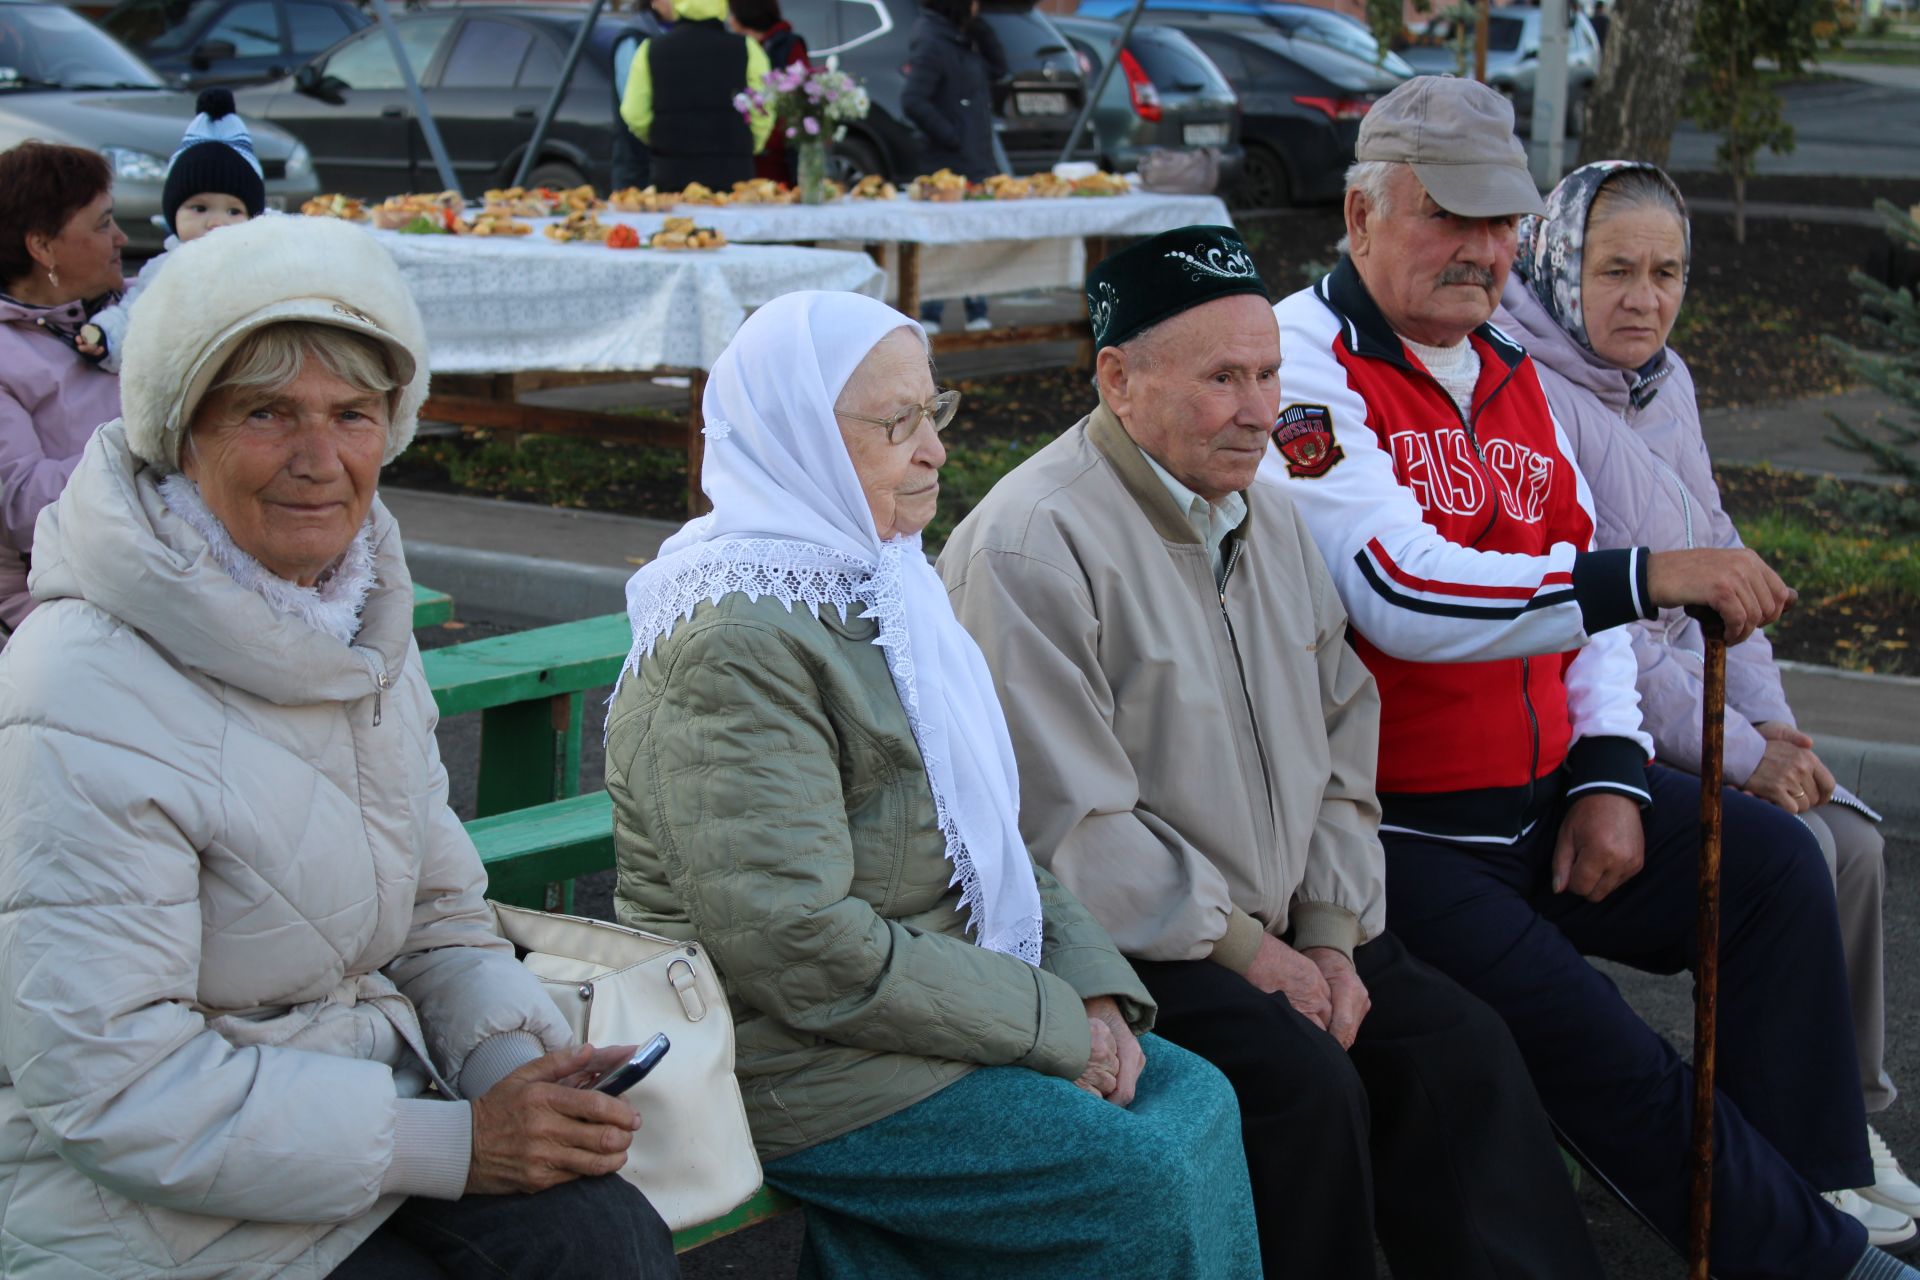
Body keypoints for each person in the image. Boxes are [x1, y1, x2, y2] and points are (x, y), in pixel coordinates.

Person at [1260, 74, 1914, 1280]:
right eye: (1444, 217)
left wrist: (1611, 766)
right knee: (1611, 1052)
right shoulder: (1301, 366)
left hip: (1549, 790)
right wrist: (1646, 575)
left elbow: (1578, 582)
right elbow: (1400, 594)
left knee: (1774, 870)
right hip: (1401, 833)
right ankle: (1815, 1259)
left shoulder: (1504, 357)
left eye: (1499, 221)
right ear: (1359, 217)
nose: (1481, 251)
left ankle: (1789, 1197)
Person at [0, 213, 679, 1280]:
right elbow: (110, 1088)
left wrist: (523, 1075)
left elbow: (438, 915)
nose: (320, 461)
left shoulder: (358, 626)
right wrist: (460, 1141)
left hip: (358, 1125)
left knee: (608, 1237)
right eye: (267, 413)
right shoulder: (79, 683)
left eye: (354, 414)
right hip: (149, 1209)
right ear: (182, 432)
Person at [939, 225, 1604, 1280]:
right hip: (1147, 947)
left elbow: (1348, 741)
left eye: (1268, 374)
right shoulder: (1033, 542)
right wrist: (1257, 951)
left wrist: (1335, 936)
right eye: (1222, 379)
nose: (1261, 410)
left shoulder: (1269, 514)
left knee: (1462, 1052)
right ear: (1119, 378)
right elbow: (1068, 830)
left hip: (1298, 921)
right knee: (1305, 1091)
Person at [605, 289, 1260, 1279]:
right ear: (796, 439)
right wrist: (1048, 1022)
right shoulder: (735, 638)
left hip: (925, 1012)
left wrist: (1091, 988)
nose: (936, 451)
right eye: (895, 423)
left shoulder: (879, 579)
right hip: (799, 1058)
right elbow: (796, 945)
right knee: (1131, 1175)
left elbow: (983, 834)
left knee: (1199, 1102)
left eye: (932, 411)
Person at [1498, 157, 1918, 1245]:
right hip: (1610, 724)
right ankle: (1784, 1147)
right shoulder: (1529, 394)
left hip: (1714, 704)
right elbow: (1614, 637)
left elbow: (1723, 555)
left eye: (1667, 272)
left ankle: (1838, 1115)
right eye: (1616, 270)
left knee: (1858, 846)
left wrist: (1774, 723)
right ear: (1556, 265)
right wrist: (1742, 753)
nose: (1645, 298)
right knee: (1799, 851)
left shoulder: (1661, 380)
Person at [0, 140, 125, 640]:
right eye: (102, 224)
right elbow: (25, 509)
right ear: (43, 247)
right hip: (56, 603)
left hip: (167, 565)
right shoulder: (7, 355)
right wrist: (146, 441)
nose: (120, 237)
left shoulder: (135, 306)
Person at [80, 87, 265, 372]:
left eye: (233, 211)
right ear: (172, 214)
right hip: (179, 384)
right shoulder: (162, 270)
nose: (216, 222)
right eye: (199, 208)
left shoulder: (265, 265)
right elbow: (133, 314)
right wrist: (106, 338)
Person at [901, 0, 1003, 333]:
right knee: (945, 240)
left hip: (976, 158)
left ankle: (978, 308)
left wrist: (981, 29)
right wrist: (952, 134)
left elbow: (1000, 69)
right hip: (948, 162)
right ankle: (931, 309)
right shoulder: (933, 40)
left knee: (976, 237)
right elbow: (913, 100)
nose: (978, 6)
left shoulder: (964, 37)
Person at [620, 0, 772, 192]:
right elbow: (763, 108)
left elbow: (634, 113)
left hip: (672, 176)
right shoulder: (748, 49)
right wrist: (749, 144)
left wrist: (661, 139)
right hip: (734, 176)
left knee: (678, 223)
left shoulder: (650, 50)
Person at [727, 0, 808, 185]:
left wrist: (768, 138)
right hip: (744, 157)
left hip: (778, 159)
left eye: (732, 14)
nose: (729, 21)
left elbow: (800, 102)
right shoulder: (735, 47)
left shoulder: (788, 45)